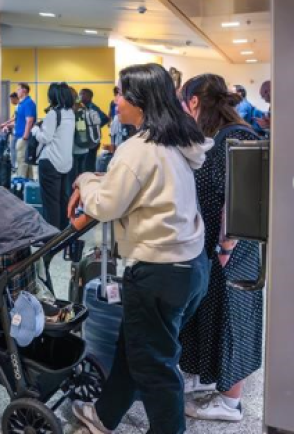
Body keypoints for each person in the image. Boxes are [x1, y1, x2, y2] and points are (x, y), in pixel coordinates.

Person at [70, 63, 211, 434]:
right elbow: (145, 187)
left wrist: (85, 180)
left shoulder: (137, 149)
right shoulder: (177, 140)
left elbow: (105, 206)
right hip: (191, 266)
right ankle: (103, 416)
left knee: (153, 364)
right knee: (135, 347)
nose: (114, 101)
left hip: (157, 271)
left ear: (139, 99)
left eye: (119, 93)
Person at [178, 74, 263, 422]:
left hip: (232, 249)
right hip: (216, 247)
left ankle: (230, 403)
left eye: (184, 102)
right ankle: (205, 376)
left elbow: (239, 198)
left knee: (233, 320)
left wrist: (225, 246)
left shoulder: (236, 137)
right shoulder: (217, 137)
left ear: (195, 101)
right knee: (209, 314)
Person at [31, 82, 76, 230]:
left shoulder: (53, 114)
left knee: (50, 202)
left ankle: (50, 238)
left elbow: (45, 138)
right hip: (65, 163)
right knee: (62, 199)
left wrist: (35, 130)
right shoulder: (71, 113)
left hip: (50, 162)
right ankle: (61, 233)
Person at [79, 88, 110, 173]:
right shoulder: (84, 107)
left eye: (82, 94)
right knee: (86, 164)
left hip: (92, 140)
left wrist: (94, 127)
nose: (79, 96)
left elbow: (105, 118)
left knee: (88, 165)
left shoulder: (92, 107)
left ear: (88, 96)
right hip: (89, 140)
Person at [13, 83, 37, 178]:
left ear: (24, 90)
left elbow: (30, 120)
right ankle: (28, 185)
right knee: (26, 163)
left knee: (21, 161)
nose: (17, 91)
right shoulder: (21, 103)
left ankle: (21, 182)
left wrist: (25, 137)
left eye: (18, 89)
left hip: (24, 137)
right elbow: (20, 120)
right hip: (19, 135)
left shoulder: (28, 103)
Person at [1, 91, 21, 163]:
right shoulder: (18, 106)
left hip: (18, 132)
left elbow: (17, 120)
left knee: (13, 148)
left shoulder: (19, 106)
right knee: (13, 148)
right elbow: (14, 118)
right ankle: (14, 164)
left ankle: (14, 165)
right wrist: (6, 123)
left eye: (11, 99)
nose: (11, 101)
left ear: (15, 98)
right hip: (16, 131)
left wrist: (7, 124)